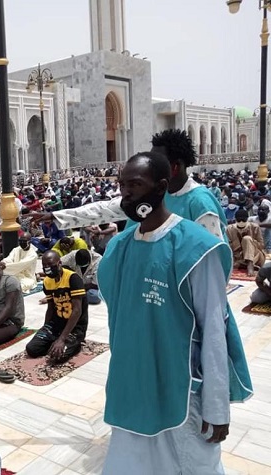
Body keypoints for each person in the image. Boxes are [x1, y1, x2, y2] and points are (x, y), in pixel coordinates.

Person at [97, 152, 252, 474]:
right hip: (132, 386)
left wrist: (216, 407)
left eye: (136, 185)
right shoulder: (120, 246)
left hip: (179, 391)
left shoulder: (195, 248)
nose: (127, 193)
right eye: (123, 185)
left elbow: (213, 329)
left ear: (161, 187)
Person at [37, 129, 227, 240]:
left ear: (175, 167)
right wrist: (55, 215)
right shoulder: (155, 193)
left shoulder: (199, 202)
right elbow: (105, 210)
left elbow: (213, 257)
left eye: (156, 161)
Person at [25, 250, 88, 363]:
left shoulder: (73, 278)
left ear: (59, 263)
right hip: (57, 323)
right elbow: (50, 307)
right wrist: (45, 328)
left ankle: (75, 343)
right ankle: (57, 338)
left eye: (50, 264)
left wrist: (62, 338)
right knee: (32, 349)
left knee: (57, 357)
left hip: (75, 325)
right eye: (45, 266)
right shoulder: (47, 282)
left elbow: (77, 311)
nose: (48, 268)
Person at [226, 209, 266, 277]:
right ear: (235, 219)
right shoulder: (229, 229)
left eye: (243, 220)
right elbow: (228, 246)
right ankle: (244, 264)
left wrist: (250, 241)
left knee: (247, 239)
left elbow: (261, 245)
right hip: (239, 257)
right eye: (239, 220)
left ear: (247, 219)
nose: (241, 222)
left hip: (256, 256)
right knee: (234, 262)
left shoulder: (254, 227)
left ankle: (250, 264)